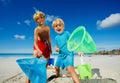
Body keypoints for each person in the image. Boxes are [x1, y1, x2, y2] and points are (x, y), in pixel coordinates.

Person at [26, 11, 52, 83]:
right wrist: (38, 50)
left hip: (46, 45)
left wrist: (50, 48)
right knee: (33, 62)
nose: (40, 20)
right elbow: (35, 42)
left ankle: (42, 79)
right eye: (38, 19)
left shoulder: (48, 28)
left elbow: (49, 38)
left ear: (44, 18)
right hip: (38, 45)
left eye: (41, 17)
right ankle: (27, 80)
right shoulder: (36, 29)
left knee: (45, 64)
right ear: (36, 21)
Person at [52, 18, 80, 83]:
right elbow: (56, 45)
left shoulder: (66, 33)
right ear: (54, 29)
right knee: (56, 67)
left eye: (60, 25)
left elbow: (73, 42)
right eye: (56, 26)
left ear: (63, 27)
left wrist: (78, 50)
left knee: (70, 69)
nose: (58, 27)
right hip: (60, 54)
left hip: (68, 54)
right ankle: (57, 75)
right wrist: (56, 48)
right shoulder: (56, 37)